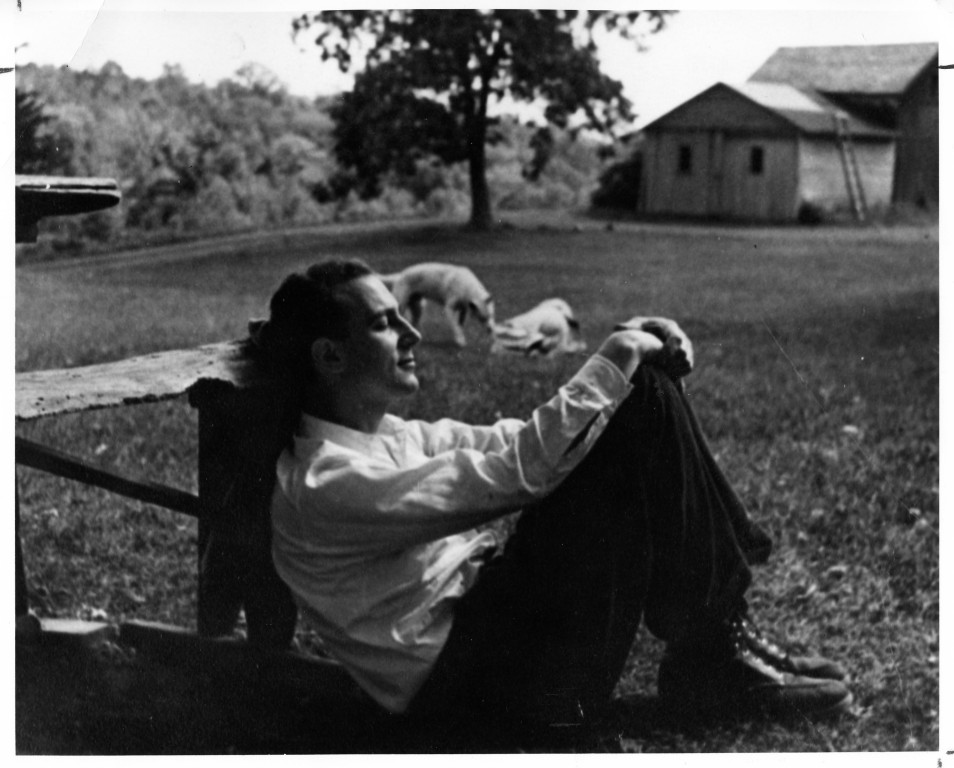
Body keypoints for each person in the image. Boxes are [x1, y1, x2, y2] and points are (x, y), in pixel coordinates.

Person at [255, 258, 851, 741]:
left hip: (494, 647)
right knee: (637, 392)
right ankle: (715, 654)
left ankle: (717, 643)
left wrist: (626, 357)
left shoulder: (387, 437)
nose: (412, 333)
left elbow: (517, 442)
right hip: (485, 693)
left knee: (636, 396)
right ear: (330, 357)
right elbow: (516, 474)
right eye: (384, 324)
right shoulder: (324, 483)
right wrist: (617, 359)